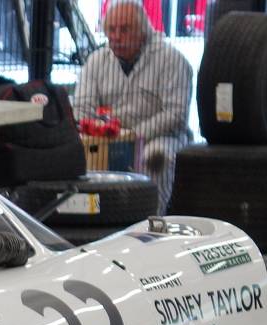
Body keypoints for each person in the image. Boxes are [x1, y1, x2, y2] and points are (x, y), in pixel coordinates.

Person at [73, 2, 195, 208]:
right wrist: (96, 130)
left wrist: (133, 136)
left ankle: (153, 216)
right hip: (109, 136)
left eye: (124, 29)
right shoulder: (96, 61)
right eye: (111, 29)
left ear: (142, 31)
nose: (116, 36)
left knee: (154, 158)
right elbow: (81, 108)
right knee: (81, 152)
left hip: (161, 137)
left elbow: (176, 114)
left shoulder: (172, 59)